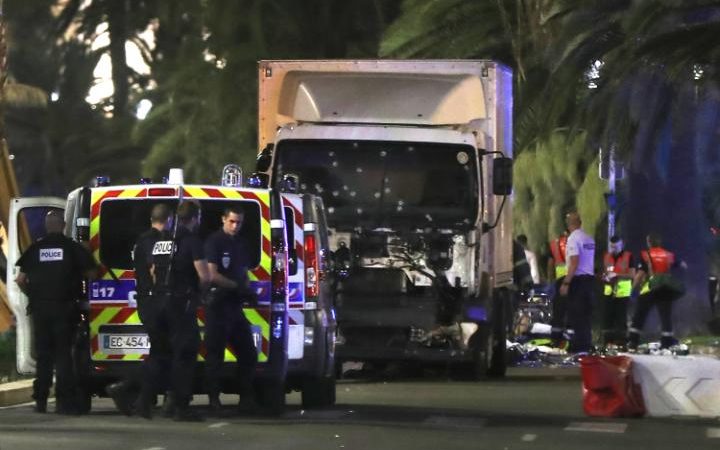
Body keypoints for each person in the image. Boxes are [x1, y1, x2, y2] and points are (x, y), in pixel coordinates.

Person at [14, 210, 96, 414]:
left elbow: (20, 280)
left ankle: (40, 400)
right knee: (63, 356)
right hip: (65, 308)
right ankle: (64, 402)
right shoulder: (71, 248)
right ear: (63, 225)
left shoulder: (36, 248)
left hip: (41, 309)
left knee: (43, 356)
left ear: (46, 226)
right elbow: (92, 273)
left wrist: (33, 294)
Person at [140, 200, 209, 421]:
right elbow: (205, 276)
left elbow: (152, 271)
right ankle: (181, 406)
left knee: (160, 355)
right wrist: (198, 293)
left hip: (158, 301)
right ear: (196, 218)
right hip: (180, 304)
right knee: (185, 354)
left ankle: (143, 402)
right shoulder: (192, 241)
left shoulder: (162, 240)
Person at [107, 204, 174, 417]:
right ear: (170, 219)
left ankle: (143, 400)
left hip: (147, 301)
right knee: (160, 355)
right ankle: (124, 388)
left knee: (160, 354)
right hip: (156, 301)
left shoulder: (142, 240)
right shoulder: (156, 241)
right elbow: (155, 269)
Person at [203, 206, 258, 415]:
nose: (235, 226)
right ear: (223, 219)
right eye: (232, 221)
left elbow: (242, 271)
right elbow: (212, 274)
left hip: (234, 306)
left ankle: (245, 398)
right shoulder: (214, 242)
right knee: (215, 356)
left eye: (239, 222)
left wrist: (247, 290)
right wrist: (237, 287)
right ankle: (214, 400)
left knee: (248, 354)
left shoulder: (241, 244)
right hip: (217, 305)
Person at [627, 232, 685, 350]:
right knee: (665, 316)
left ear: (649, 242)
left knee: (640, 314)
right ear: (660, 242)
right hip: (665, 288)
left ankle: (633, 340)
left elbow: (640, 274)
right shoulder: (668, 255)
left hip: (650, 287)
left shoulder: (645, 255)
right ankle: (667, 342)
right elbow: (683, 265)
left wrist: (632, 289)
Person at [558, 212, 596, 353]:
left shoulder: (573, 239)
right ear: (580, 223)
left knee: (576, 315)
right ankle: (585, 345)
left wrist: (566, 283)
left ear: (569, 224)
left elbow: (574, 262)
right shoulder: (589, 239)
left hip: (578, 281)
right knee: (586, 315)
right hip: (589, 280)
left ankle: (577, 347)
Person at [600, 235, 635, 347]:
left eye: (616, 247)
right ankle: (607, 342)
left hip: (622, 292)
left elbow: (632, 274)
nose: (614, 249)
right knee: (607, 318)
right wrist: (604, 277)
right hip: (609, 291)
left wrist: (617, 275)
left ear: (621, 245)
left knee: (621, 318)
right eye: (612, 247)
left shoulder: (628, 256)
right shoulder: (606, 256)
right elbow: (604, 272)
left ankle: (621, 342)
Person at [548, 230, 569, 347]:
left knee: (558, 312)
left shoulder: (554, 245)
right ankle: (570, 339)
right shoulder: (573, 243)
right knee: (570, 311)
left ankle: (555, 340)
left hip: (558, 281)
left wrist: (550, 280)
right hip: (572, 281)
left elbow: (550, 264)